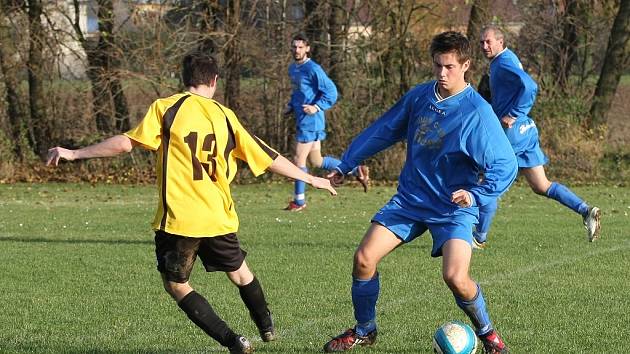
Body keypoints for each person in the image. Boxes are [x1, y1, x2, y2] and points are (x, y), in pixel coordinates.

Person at [46, 52, 337, 354]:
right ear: (214, 80)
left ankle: (233, 340)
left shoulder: (166, 109)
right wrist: (312, 179)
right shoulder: (225, 115)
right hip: (218, 216)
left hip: (180, 219)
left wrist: (75, 153)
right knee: (240, 273)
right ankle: (267, 326)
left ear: (185, 79)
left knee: (176, 284)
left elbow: (124, 144)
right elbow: (267, 156)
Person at [322, 32, 517, 354]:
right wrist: (347, 164)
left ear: (466, 65)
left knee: (456, 277)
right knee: (363, 259)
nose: (442, 73)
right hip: (411, 200)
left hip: (453, 207)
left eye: (450, 67)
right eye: (438, 66)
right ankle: (364, 330)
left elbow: (505, 164)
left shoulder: (477, 112)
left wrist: (476, 195)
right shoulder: (420, 97)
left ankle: (488, 335)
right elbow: (383, 130)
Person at [476, 25, 601, 248]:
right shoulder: (503, 61)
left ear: (500, 42)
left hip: (514, 132)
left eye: (488, 42)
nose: (484, 46)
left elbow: (530, 86)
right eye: (481, 43)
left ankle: (479, 238)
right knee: (541, 185)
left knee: (489, 178)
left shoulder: (503, 62)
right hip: (527, 131)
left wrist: (514, 113)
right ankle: (586, 211)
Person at [283, 33, 369, 211]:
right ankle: (354, 170)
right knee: (317, 160)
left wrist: (316, 107)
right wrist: (291, 106)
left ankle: (298, 201)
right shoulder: (293, 68)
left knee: (299, 160)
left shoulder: (313, 68)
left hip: (311, 121)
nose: (296, 50)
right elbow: (298, 93)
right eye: (294, 47)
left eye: (300, 47)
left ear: (307, 48)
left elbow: (331, 91)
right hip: (302, 119)